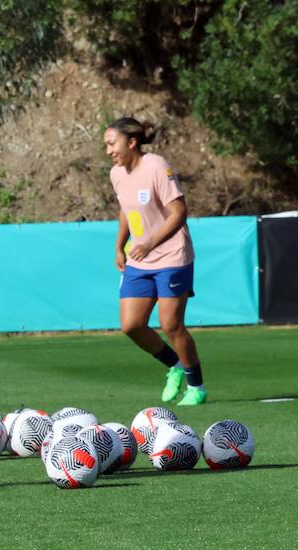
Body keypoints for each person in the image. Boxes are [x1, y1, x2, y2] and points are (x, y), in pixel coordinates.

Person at [104, 118, 205, 406]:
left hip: (172, 255)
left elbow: (178, 212)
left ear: (131, 141)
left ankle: (196, 386)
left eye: (112, 143)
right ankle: (174, 365)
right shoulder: (117, 174)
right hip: (140, 258)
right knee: (131, 325)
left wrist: (150, 243)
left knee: (171, 325)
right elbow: (126, 210)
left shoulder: (157, 167)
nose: (109, 150)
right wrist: (119, 246)